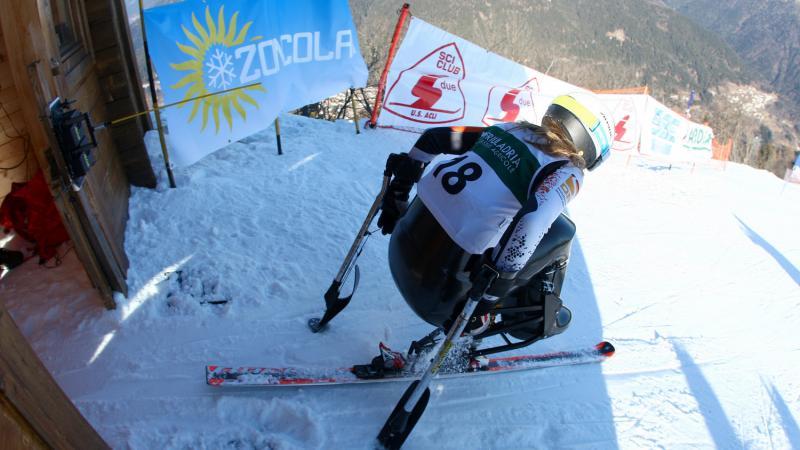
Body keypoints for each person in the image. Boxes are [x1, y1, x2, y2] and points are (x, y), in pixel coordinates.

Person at [373, 92, 614, 369]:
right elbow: (533, 222)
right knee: (561, 232)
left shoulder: (507, 129)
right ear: (590, 147)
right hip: (442, 298)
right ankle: (525, 320)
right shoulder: (567, 169)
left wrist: (399, 192)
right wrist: (489, 296)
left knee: (509, 219)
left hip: (402, 249)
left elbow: (434, 138)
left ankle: (492, 311)